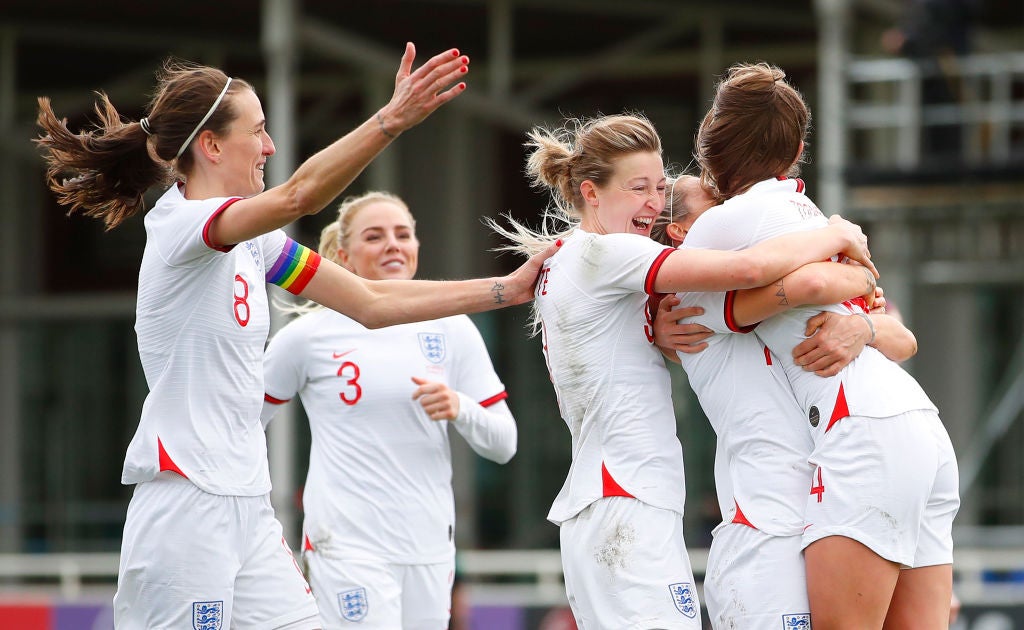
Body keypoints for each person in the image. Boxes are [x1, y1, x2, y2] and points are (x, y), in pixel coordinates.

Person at [34, 45, 556, 630]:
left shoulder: (252, 243)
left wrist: (504, 291)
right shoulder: (185, 226)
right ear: (210, 146)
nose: (269, 147)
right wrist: (390, 120)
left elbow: (369, 301)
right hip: (185, 500)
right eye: (258, 131)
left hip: (247, 501)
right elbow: (298, 197)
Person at [488, 113, 875, 629]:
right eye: (638, 188)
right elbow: (751, 269)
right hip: (627, 499)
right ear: (591, 193)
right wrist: (835, 232)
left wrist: (658, 331)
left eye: (660, 187)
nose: (653, 202)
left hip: (608, 503)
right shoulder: (609, 251)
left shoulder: (572, 257)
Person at [689, 62, 959, 629]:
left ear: (709, 142)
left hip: (859, 432)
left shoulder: (724, 223)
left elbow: (680, 293)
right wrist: (860, 303)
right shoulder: (807, 214)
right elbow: (896, 332)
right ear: (798, 151)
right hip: (919, 426)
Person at [652, 175, 919, 629]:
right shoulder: (691, 297)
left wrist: (865, 325)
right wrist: (840, 243)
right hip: (762, 529)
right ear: (681, 232)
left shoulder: (756, 275)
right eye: (716, 202)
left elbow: (903, 338)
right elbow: (808, 282)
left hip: (810, 518)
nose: (733, 207)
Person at [261, 191, 518, 629]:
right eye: (375, 236)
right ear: (344, 254)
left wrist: (460, 408)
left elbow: (504, 445)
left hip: (429, 545)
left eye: (403, 235)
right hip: (345, 543)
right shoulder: (307, 336)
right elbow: (242, 423)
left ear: (417, 247)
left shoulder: (452, 326)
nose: (393, 245)